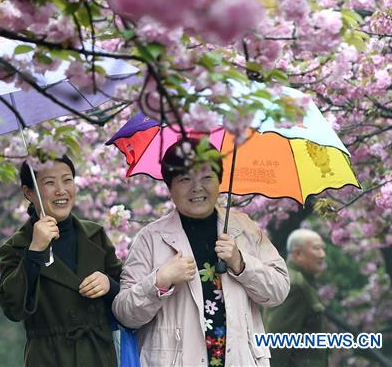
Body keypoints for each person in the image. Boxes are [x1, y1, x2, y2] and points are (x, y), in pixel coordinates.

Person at [112, 139, 289, 367]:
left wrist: (241, 264)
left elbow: (279, 291)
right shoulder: (151, 238)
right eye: (185, 179)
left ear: (219, 181)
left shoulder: (244, 229)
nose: (197, 188)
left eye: (207, 177)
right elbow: (124, 313)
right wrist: (159, 281)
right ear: (170, 187)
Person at [0, 155, 123, 367]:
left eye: (67, 180)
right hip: (47, 358)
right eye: (49, 183)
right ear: (29, 192)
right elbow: (13, 309)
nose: (61, 190)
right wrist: (35, 251)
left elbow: (128, 294)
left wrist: (109, 285)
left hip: (98, 355)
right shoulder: (16, 247)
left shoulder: (95, 235)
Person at [263, 229, 328, 366]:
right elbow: (277, 341)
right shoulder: (295, 284)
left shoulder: (301, 280)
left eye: (323, 249)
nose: (322, 255)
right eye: (316, 248)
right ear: (297, 253)